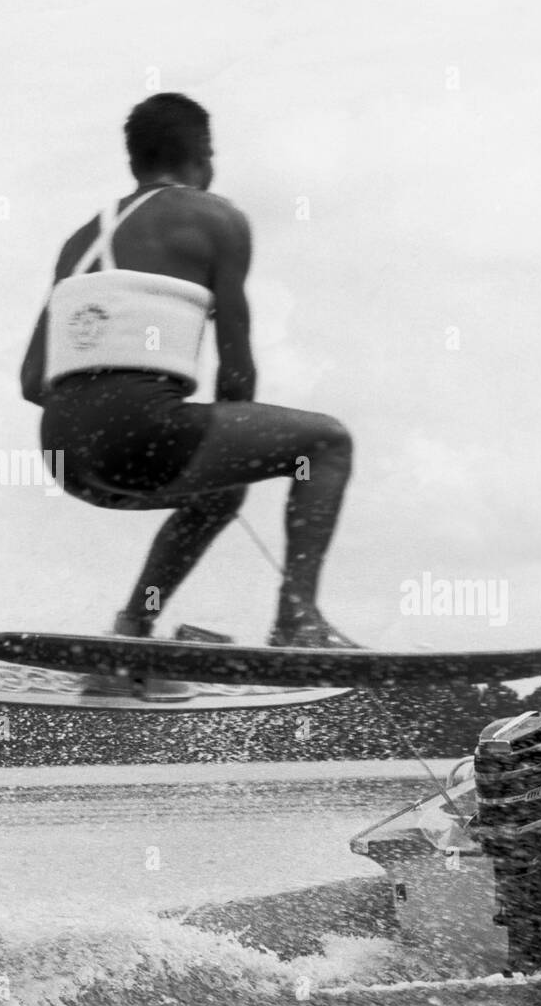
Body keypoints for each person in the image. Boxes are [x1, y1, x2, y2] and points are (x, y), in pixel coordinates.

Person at [20, 93, 355, 650]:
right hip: (143, 433)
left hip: (65, 456)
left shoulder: (77, 243)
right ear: (204, 156)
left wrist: (101, 406)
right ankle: (298, 621)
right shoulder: (216, 217)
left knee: (221, 494)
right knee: (325, 444)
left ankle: (132, 633)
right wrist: (198, 423)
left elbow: (33, 381)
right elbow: (238, 371)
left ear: (134, 163)